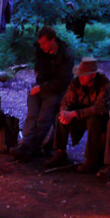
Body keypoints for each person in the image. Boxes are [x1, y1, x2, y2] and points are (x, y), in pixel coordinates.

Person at [10, 26, 74, 160]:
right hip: (43, 86)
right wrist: (39, 86)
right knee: (32, 111)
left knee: (44, 118)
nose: (42, 46)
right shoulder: (41, 50)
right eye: (41, 43)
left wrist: (42, 88)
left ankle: (34, 146)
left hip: (56, 89)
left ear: (53, 40)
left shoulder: (65, 55)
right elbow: (39, 70)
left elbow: (62, 82)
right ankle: (26, 142)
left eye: (44, 43)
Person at [45, 57, 110, 173]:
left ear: (92, 75)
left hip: (100, 118)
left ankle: (91, 160)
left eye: (84, 75)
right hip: (80, 116)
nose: (80, 77)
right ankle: (60, 152)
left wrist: (74, 114)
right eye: (80, 74)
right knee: (60, 117)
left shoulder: (103, 83)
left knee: (93, 121)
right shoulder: (76, 82)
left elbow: (100, 108)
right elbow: (66, 102)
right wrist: (65, 113)